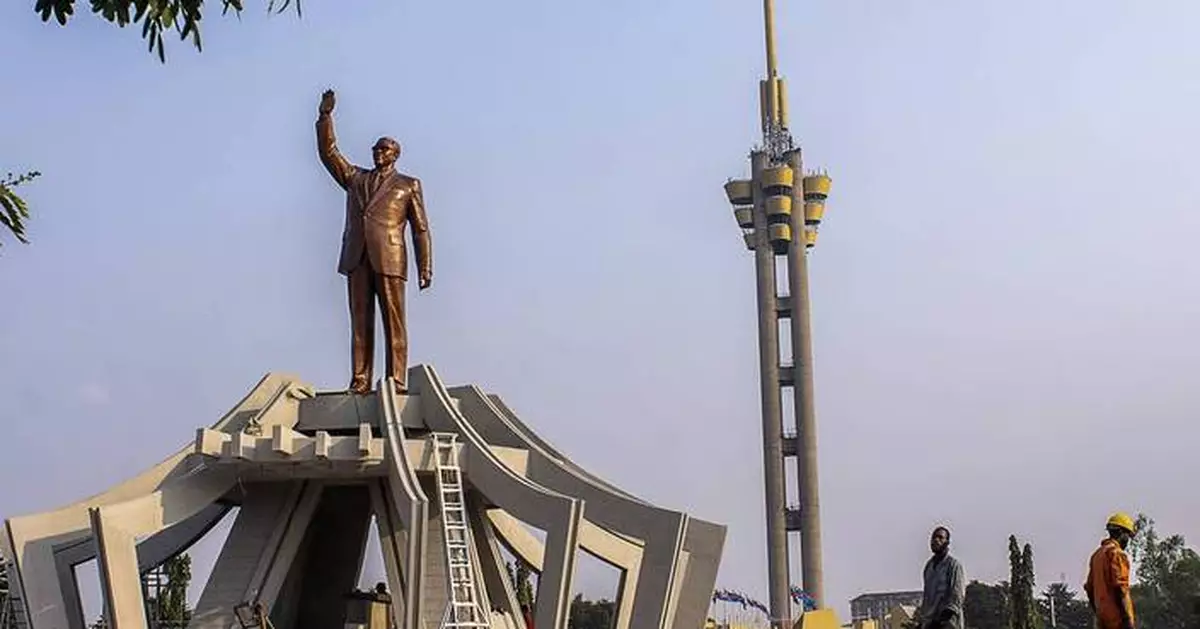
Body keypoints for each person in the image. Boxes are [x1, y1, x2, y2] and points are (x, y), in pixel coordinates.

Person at [316, 89, 433, 395]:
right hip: (357, 256)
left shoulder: (409, 185)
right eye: (376, 149)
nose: (378, 153)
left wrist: (426, 265)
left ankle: (396, 379)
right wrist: (325, 118)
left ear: (395, 154)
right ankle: (360, 380)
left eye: (384, 149)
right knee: (360, 323)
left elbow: (420, 229)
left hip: (390, 257)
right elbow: (330, 154)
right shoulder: (356, 179)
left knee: (394, 322)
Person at [1084, 513, 1137, 629]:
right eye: (1127, 535)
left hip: (1102, 621)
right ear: (1121, 533)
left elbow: (1089, 588)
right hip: (1118, 622)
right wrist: (1128, 621)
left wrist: (1099, 612)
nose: (1127, 540)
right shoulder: (1117, 554)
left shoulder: (1097, 555)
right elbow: (1121, 589)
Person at [918, 526, 966, 629]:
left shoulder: (953, 566)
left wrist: (940, 621)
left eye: (940, 537)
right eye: (934, 537)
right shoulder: (929, 567)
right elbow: (927, 599)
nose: (936, 540)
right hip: (930, 623)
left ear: (947, 542)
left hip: (948, 624)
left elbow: (956, 598)